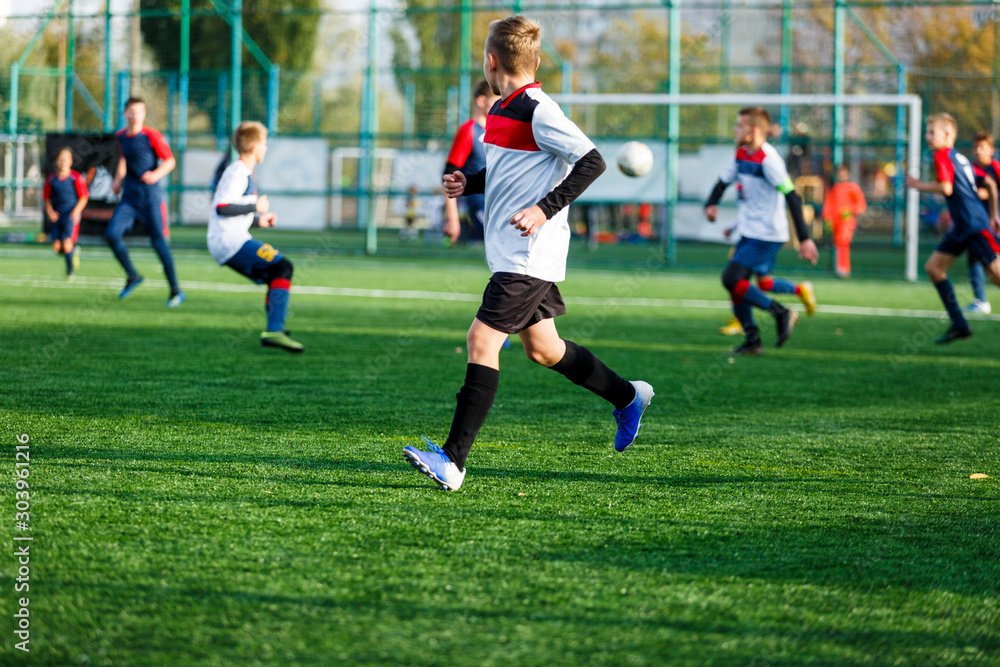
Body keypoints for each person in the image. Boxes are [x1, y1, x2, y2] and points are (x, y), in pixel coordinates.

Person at [402, 15, 654, 491]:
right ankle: (628, 396)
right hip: (512, 252)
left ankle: (453, 461)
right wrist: (469, 183)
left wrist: (543, 209)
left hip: (527, 254)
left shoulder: (539, 108)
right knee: (544, 349)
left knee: (481, 341)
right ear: (534, 61)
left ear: (489, 60)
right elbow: (509, 172)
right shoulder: (501, 110)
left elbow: (592, 161)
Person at [704, 107, 818, 355]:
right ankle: (753, 341)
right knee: (745, 283)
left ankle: (781, 312)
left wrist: (805, 238)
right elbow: (723, 182)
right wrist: (710, 204)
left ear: (753, 131)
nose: (734, 130)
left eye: (739, 126)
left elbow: (792, 196)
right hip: (749, 231)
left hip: (766, 235)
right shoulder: (742, 154)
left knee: (731, 279)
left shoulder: (769, 160)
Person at [209, 121, 303, 353]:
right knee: (283, 267)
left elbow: (231, 210)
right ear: (254, 148)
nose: (266, 148)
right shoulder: (238, 172)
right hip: (229, 241)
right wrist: (255, 205)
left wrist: (258, 220)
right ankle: (273, 330)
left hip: (231, 237)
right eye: (264, 144)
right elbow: (222, 207)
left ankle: (274, 328)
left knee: (276, 271)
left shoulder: (240, 171)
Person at [906, 113, 1000, 344]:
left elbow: (946, 188)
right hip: (963, 227)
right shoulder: (960, 157)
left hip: (974, 225)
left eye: (931, 132)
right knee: (934, 268)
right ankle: (959, 324)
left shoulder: (942, 154)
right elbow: (988, 183)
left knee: (997, 275)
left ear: (947, 135)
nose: (927, 137)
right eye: (926, 132)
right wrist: (994, 214)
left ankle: (959, 323)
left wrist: (918, 185)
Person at [106, 96, 185, 307]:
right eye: (131, 111)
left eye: (139, 112)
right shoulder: (120, 137)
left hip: (150, 198)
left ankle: (175, 291)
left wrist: (155, 175)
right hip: (129, 199)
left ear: (144, 114)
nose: (135, 116)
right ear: (125, 114)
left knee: (159, 243)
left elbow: (170, 161)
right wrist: (117, 180)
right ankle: (133, 275)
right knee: (112, 234)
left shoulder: (152, 135)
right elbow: (123, 159)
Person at [716, 221, 815, 336]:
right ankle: (799, 290)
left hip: (760, 238)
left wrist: (803, 237)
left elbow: (756, 209)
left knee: (735, 278)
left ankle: (747, 322)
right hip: (756, 236)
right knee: (762, 282)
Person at [442, 80, 501, 246]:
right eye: (496, 100)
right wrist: (452, 219)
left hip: (498, 203)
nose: (501, 105)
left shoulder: (497, 131)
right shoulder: (469, 130)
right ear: (481, 101)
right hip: (479, 207)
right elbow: (448, 177)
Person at [966, 131, 1000, 314]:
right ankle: (980, 300)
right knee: (974, 256)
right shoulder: (970, 168)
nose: (979, 151)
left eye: (983, 147)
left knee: (992, 260)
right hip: (978, 222)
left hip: (994, 221)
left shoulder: (996, 168)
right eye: (976, 147)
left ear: (991, 150)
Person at [43, 147, 89, 281]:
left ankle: (70, 272)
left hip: (70, 216)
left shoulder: (76, 178)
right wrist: (50, 212)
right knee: (57, 247)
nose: (63, 162)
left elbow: (84, 197)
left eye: (66, 159)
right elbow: (46, 198)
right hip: (57, 216)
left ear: (71, 161)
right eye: (61, 159)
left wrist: (76, 211)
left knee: (67, 243)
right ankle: (72, 253)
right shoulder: (52, 179)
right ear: (56, 161)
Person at [822, 164, 867, 279]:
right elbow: (828, 204)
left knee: (843, 243)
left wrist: (850, 210)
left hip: (847, 221)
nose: (842, 176)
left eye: (844, 173)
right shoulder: (834, 187)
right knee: (838, 243)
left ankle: (844, 268)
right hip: (835, 221)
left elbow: (861, 205)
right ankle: (839, 267)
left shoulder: (852, 187)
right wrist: (827, 219)